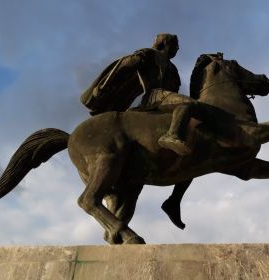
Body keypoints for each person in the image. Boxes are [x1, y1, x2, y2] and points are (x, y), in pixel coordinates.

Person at [80, 33, 201, 228]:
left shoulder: (174, 69)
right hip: (154, 98)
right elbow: (126, 64)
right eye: (175, 45)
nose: (178, 49)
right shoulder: (148, 54)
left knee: (195, 148)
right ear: (164, 43)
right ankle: (171, 135)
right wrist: (104, 85)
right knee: (189, 105)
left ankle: (174, 201)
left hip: (167, 105)